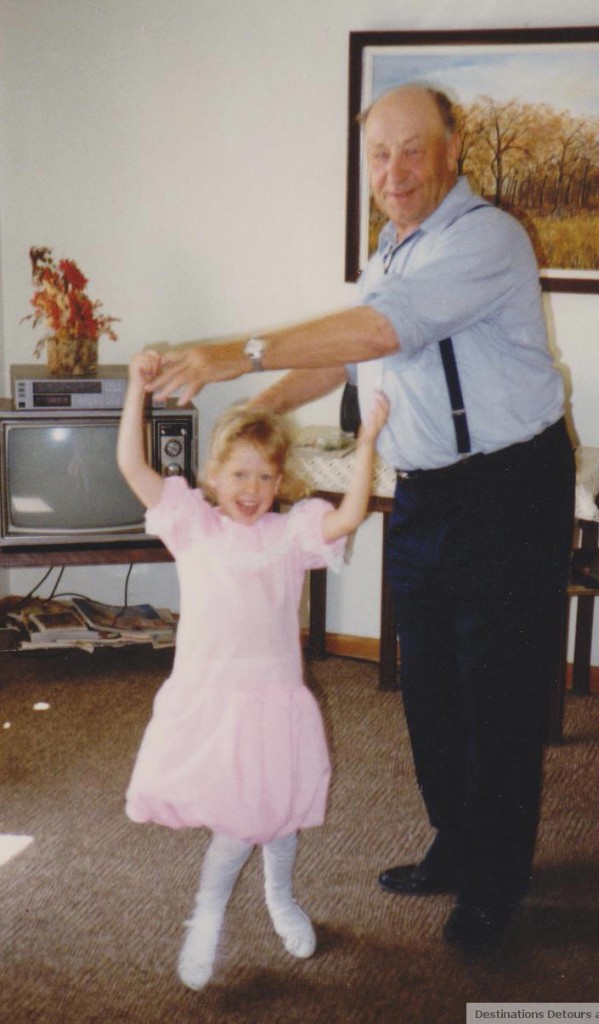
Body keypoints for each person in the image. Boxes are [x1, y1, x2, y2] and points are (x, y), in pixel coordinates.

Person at [143, 82, 576, 956]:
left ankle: (497, 884)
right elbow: (345, 355)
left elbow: (381, 333)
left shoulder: (486, 238)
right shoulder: (388, 252)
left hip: (506, 486)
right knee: (428, 685)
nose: (394, 171)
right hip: (423, 488)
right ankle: (456, 843)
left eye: (412, 150)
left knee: (496, 691)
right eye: (378, 154)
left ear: (452, 150)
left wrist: (234, 352)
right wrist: (252, 419)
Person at [117, 349, 389, 989]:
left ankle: (280, 896)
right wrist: (138, 390)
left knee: (283, 815)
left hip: (274, 701)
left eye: (264, 478)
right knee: (240, 825)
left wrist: (368, 442)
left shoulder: (291, 532)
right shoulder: (192, 527)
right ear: (212, 475)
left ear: (279, 483)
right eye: (239, 475)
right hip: (214, 703)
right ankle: (206, 917)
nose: (250, 490)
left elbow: (349, 516)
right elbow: (132, 462)